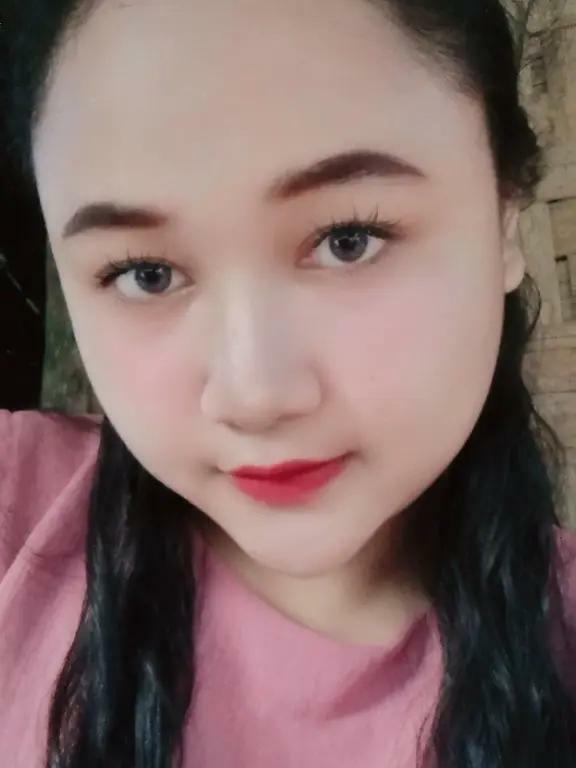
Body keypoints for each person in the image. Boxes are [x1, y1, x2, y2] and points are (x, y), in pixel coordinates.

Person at [1, 0, 576, 765]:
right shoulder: (18, 506)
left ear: (505, 216)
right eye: (145, 273)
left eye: (348, 240)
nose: (255, 396)